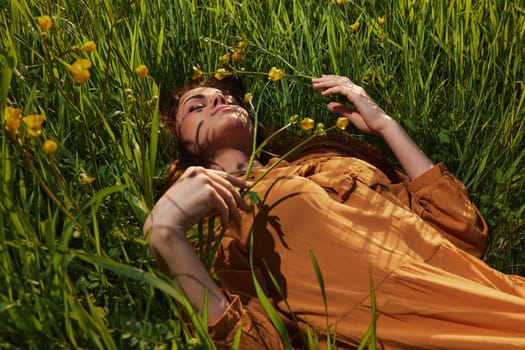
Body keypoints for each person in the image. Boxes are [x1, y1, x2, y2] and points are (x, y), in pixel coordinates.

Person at [144, 74, 525, 349]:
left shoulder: (326, 157)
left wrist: (386, 126)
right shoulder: (214, 219)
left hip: (482, 291)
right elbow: (259, 341)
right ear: (183, 144)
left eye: (224, 96)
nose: (218, 101)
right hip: (399, 330)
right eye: (197, 105)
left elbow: (461, 230)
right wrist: (167, 236)